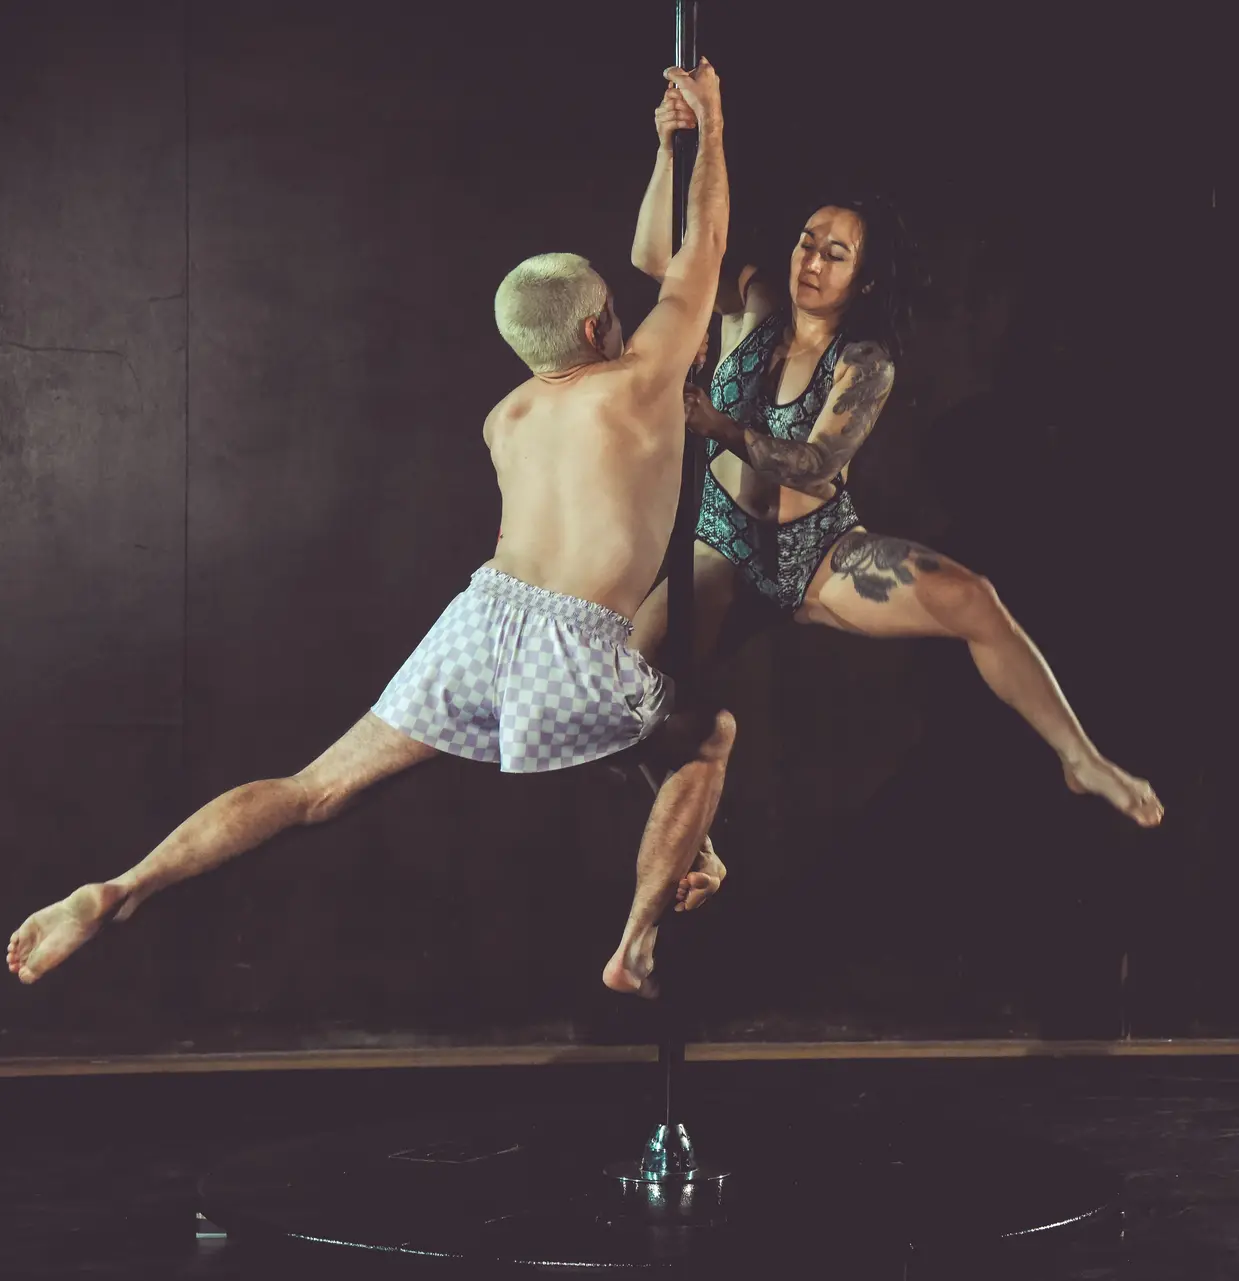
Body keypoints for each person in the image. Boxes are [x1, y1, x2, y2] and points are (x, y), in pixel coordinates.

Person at [8, 61, 736, 999]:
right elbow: (700, 251)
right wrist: (713, 126)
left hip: (482, 619)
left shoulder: (508, 418)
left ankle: (122, 885)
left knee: (313, 789)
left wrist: (665, 149)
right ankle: (634, 945)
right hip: (570, 639)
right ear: (600, 330)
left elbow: (659, 265)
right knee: (705, 734)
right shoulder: (638, 384)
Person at [627, 84, 1163, 827]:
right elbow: (657, 258)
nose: (812, 261)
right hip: (723, 543)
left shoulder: (865, 362)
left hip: (815, 551)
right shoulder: (752, 302)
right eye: (807, 242)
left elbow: (816, 464)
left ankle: (1082, 759)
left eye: (836, 254)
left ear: (865, 279)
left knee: (974, 598)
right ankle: (695, 845)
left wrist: (717, 426)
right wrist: (667, 149)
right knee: (630, 687)